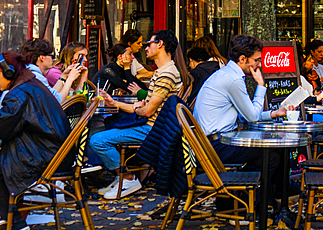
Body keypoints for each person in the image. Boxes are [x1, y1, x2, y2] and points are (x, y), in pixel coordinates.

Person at [93, 29, 187, 199]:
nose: (145, 48)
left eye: (149, 44)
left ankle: (126, 178)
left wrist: (137, 108)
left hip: (152, 129)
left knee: (97, 140)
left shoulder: (166, 74)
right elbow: (143, 108)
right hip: (152, 126)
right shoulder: (163, 72)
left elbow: (147, 111)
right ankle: (122, 177)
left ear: (160, 44)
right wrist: (114, 103)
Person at [0, 51, 71, 230]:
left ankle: (12, 224)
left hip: (46, 154)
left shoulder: (19, 94)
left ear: (7, 73)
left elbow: (4, 128)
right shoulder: (29, 85)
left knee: (1, 164)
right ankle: (10, 223)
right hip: (52, 150)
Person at [193, 34, 287, 164]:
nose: (258, 65)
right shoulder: (233, 80)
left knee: (272, 156)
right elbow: (252, 117)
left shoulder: (227, 74)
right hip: (215, 146)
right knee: (272, 152)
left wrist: (273, 114)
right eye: (256, 60)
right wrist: (260, 84)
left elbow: (245, 115)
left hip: (212, 143)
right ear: (242, 59)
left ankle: (256, 183)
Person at [20, 38, 85, 102]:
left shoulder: (29, 72)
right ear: (42, 58)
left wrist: (63, 77)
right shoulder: (36, 77)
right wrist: (70, 79)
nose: (53, 59)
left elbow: (51, 95)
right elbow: (57, 100)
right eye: (52, 56)